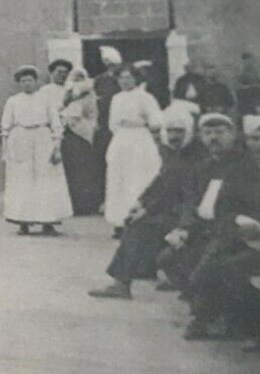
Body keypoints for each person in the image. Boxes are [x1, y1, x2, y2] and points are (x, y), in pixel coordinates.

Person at [89, 107, 209, 299]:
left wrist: (149, 210)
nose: (173, 136)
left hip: (194, 216)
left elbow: (183, 194)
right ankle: (137, 276)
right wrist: (141, 202)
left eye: (179, 131)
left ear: (189, 131)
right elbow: (161, 181)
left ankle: (123, 281)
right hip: (181, 213)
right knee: (136, 220)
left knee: (141, 225)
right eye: (170, 131)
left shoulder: (197, 157)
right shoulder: (173, 152)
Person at [183, 116, 260, 345]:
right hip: (247, 235)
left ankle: (254, 331)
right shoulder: (241, 170)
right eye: (255, 139)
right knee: (218, 254)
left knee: (230, 266)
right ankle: (210, 317)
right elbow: (226, 207)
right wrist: (240, 221)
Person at [157, 113, 259, 300]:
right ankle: (195, 297)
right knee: (167, 258)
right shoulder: (201, 168)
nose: (213, 138)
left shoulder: (244, 166)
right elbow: (191, 202)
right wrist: (183, 229)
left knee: (207, 267)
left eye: (219, 132)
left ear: (233, 135)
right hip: (202, 229)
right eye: (208, 133)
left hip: (230, 232)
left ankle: (205, 315)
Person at [0, 66, 72, 235]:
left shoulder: (46, 99)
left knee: (45, 180)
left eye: (29, 80)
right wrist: (6, 149)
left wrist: (57, 146)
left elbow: (55, 123)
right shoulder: (13, 101)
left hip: (42, 139)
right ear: (19, 83)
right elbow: (5, 126)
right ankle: (23, 222)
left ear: (36, 81)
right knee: (22, 180)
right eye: (23, 81)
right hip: (20, 139)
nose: (26, 84)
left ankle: (48, 222)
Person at [103, 65, 165, 236]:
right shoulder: (116, 98)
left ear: (136, 79)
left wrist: (144, 124)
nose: (125, 81)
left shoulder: (145, 97)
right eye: (121, 78)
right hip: (121, 140)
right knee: (118, 179)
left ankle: (137, 221)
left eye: (128, 77)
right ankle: (119, 221)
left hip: (140, 140)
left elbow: (156, 120)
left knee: (137, 178)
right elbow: (112, 124)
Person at [59, 66, 105, 215]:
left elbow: (92, 114)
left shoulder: (88, 94)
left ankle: (87, 204)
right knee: (70, 170)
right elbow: (59, 109)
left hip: (82, 134)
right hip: (68, 135)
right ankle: (73, 204)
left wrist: (80, 123)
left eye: (80, 78)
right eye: (75, 78)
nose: (77, 81)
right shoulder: (66, 94)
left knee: (85, 171)